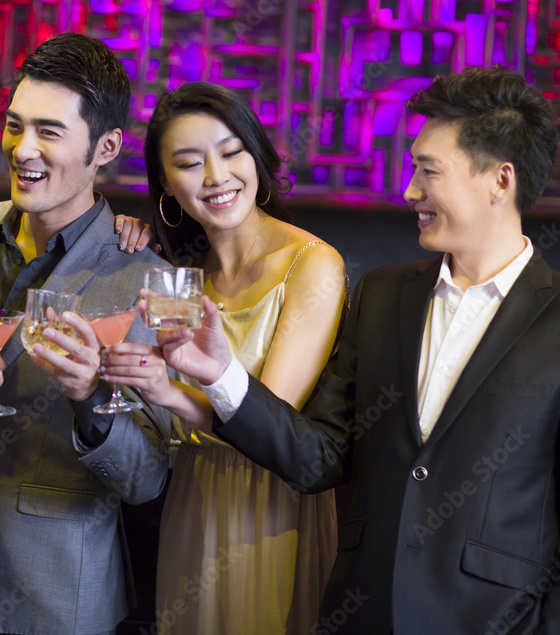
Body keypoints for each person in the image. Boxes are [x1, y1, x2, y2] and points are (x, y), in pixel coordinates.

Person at [155, 66, 560, 633]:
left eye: (427, 171)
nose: (409, 190)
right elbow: (319, 456)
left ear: (500, 181)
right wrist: (222, 375)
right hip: (363, 612)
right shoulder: (383, 295)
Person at [0, 33, 172, 634]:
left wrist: (89, 400)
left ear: (107, 147)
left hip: (49, 594)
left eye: (49, 131)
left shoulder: (145, 281)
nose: (23, 149)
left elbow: (146, 477)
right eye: (15, 126)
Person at [101, 82, 346, 634]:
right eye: (189, 163)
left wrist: (167, 393)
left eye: (232, 152)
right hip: (195, 497)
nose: (216, 177)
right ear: (166, 183)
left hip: (273, 506)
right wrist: (123, 239)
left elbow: (270, 422)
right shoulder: (179, 277)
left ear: (256, 157)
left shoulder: (310, 264)